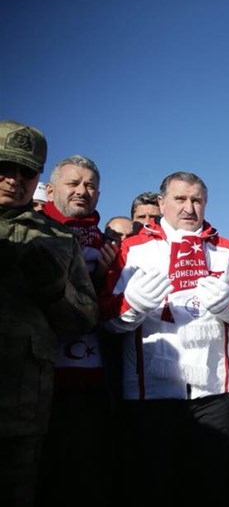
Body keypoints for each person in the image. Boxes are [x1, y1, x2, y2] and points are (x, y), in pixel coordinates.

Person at [100, 171, 229, 506]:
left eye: (196, 200)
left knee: (210, 487)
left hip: (212, 392)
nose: (188, 207)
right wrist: (132, 304)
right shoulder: (133, 249)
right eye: (180, 199)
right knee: (154, 487)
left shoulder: (225, 250)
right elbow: (106, 320)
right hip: (150, 394)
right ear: (161, 203)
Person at [0, 121, 98, 507]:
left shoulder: (57, 240)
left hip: (20, 408)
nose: (14, 180)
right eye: (4, 167)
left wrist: (56, 292)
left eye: (26, 172)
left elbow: (85, 318)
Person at [37, 154, 118, 507]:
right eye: (73, 183)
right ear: (51, 189)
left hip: (95, 383)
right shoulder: (30, 233)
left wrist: (104, 278)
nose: (82, 191)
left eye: (90, 186)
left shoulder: (109, 245)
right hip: (37, 381)